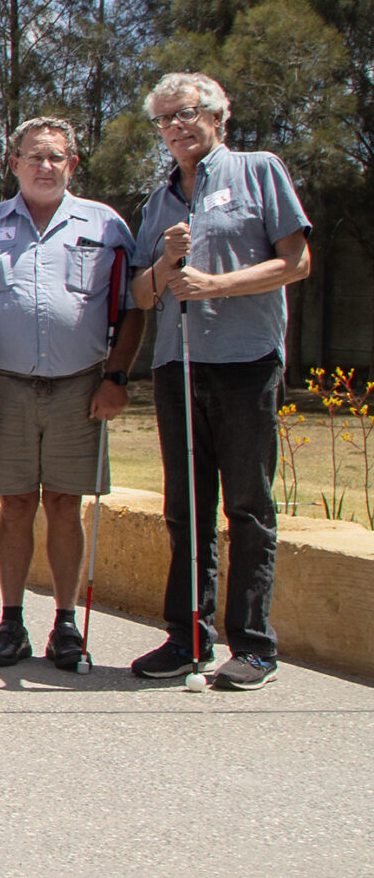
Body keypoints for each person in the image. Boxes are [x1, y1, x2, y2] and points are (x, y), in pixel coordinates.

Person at [127, 72, 312, 690]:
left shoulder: (260, 171)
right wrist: (167, 263)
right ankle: (188, 637)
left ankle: (254, 646)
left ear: (217, 117)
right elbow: (141, 296)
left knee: (249, 506)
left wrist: (214, 285)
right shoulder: (158, 203)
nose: (177, 127)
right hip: (177, 367)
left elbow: (296, 261)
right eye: (166, 120)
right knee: (186, 510)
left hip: (246, 363)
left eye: (187, 114)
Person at [0, 118, 143, 670]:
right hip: (3, 388)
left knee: (65, 504)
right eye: (33, 156)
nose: (44, 166)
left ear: (72, 165)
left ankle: (65, 625)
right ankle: (11, 622)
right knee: (14, 505)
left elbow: (132, 308)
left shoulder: (105, 225)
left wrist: (117, 378)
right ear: (13, 163)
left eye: (56, 157)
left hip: (82, 389)